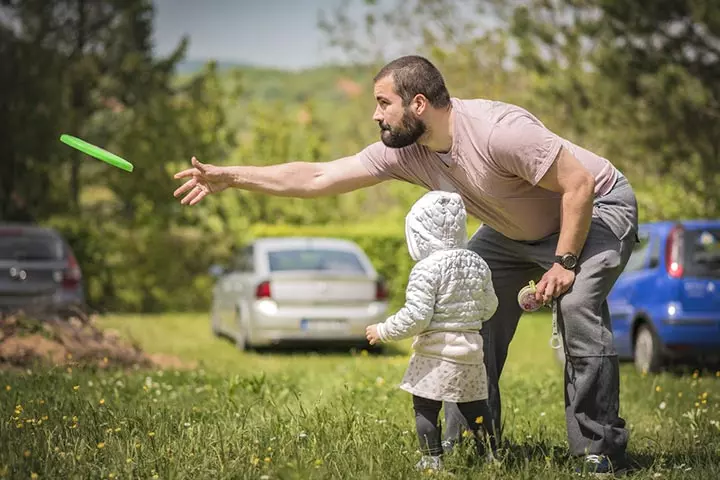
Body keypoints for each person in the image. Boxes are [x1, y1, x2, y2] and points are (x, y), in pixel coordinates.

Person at [173, 55, 639, 475]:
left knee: (577, 304)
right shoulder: (406, 151)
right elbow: (319, 175)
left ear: (418, 103)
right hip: (512, 230)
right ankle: (469, 443)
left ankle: (599, 449)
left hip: (594, 208)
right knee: (461, 311)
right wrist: (232, 177)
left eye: (382, 103)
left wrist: (564, 262)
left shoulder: (499, 130)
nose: (375, 115)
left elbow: (577, 183)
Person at [364, 190, 498, 471]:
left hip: (435, 353)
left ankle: (431, 459)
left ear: (421, 232)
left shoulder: (426, 268)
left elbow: (417, 317)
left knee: (426, 406)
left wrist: (383, 330)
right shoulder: (479, 263)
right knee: (475, 407)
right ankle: (490, 457)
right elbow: (490, 307)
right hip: (472, 349)